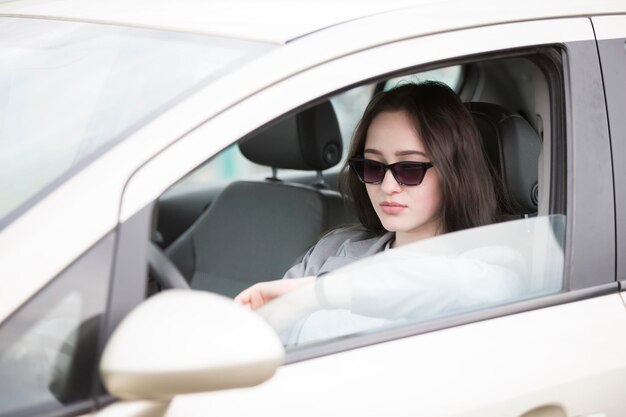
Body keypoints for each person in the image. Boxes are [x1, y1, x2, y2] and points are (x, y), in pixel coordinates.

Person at [234, 81, 502, 312]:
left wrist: (320, 293)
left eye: (409, 169)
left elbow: (461, 284)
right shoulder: (334, 248)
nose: (387, 186)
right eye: (372, 167)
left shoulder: (489, 264)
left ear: (454, 170)